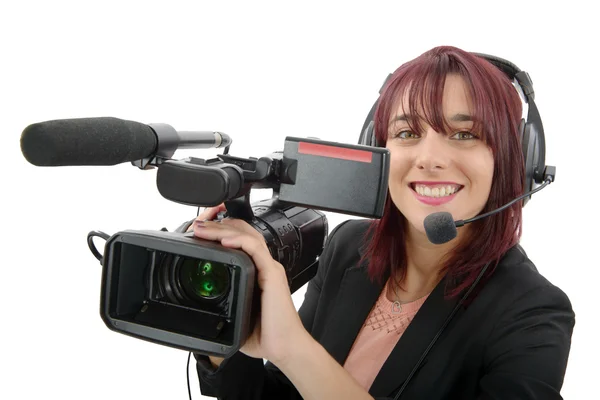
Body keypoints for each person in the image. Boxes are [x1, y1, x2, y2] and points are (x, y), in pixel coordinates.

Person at [189, 46, 575, 399]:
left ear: (514, 159)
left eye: (463, 133)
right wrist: (221, 323)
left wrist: (293, 349)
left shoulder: (534, 313)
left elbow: (300, 360)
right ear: (379, 149)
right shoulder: (350, 247)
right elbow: (288, 392)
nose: (429, 158)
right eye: (407, 132)